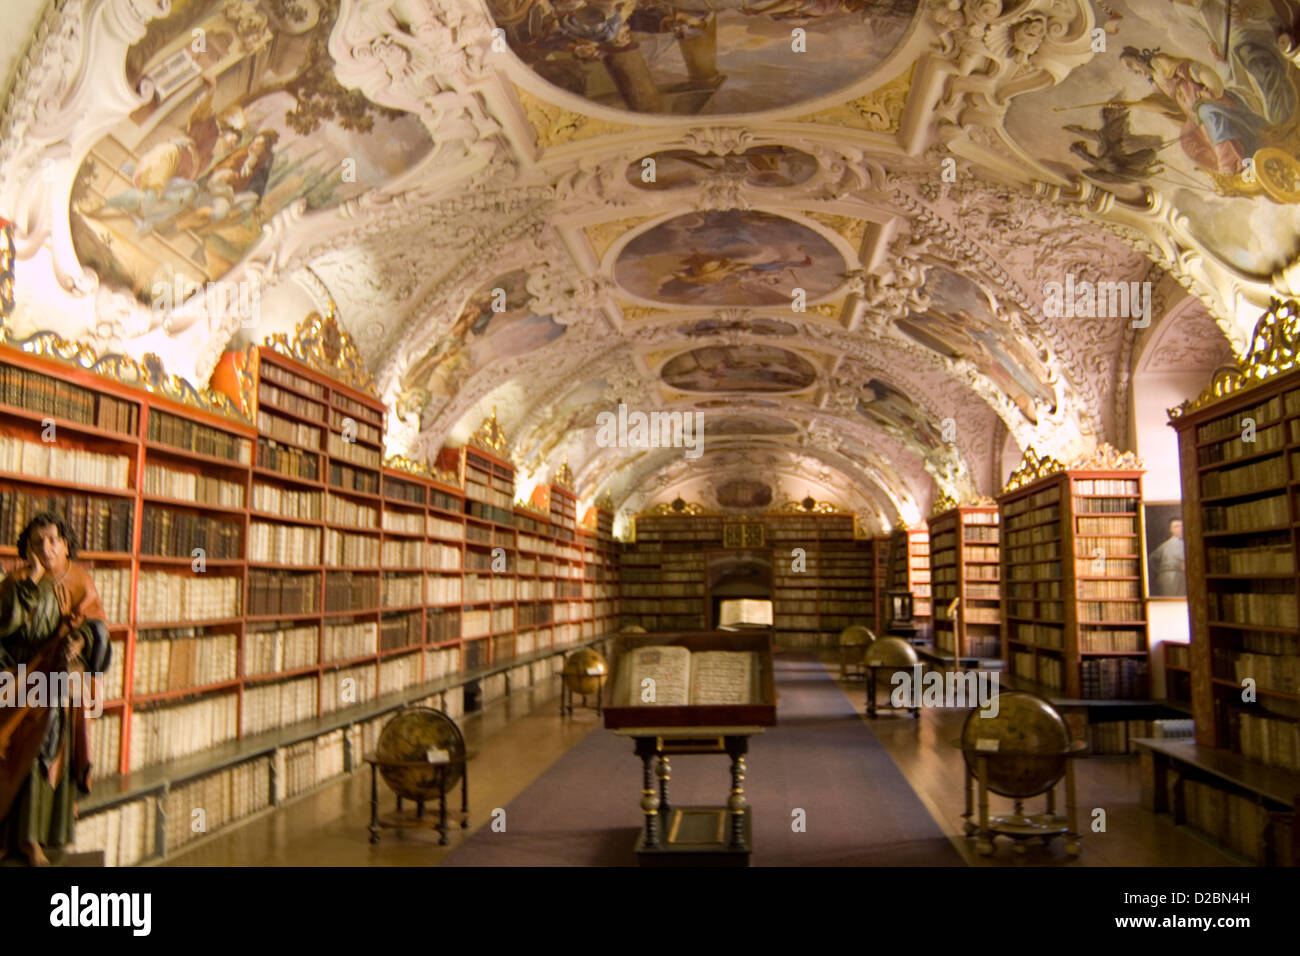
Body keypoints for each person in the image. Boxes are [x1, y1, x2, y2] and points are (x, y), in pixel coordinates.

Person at [0, 512, 111, 866]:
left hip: (59, 683)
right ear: (26, 548)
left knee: (49, 742)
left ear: (65, 544)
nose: (46, 548)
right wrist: (30, 583)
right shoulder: (16, 580)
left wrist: (80, 638)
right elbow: (6, 624)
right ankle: (17, 837)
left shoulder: (80, 580)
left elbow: (98, 628)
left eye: (53, 540)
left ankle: (41, 835)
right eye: (36, 542)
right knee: (22, 744)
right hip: (17, 679)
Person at [1150, 516, 1186, 597]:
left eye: (1181, 526)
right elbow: (1152, 559)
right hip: (1168, 575)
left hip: (1182, 575)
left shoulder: (1185, 543)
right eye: (1176, 526)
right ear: (1171, 529)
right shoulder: (1166, 545)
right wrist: (1159, 571)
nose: (1180, 528)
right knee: (1170, 597)